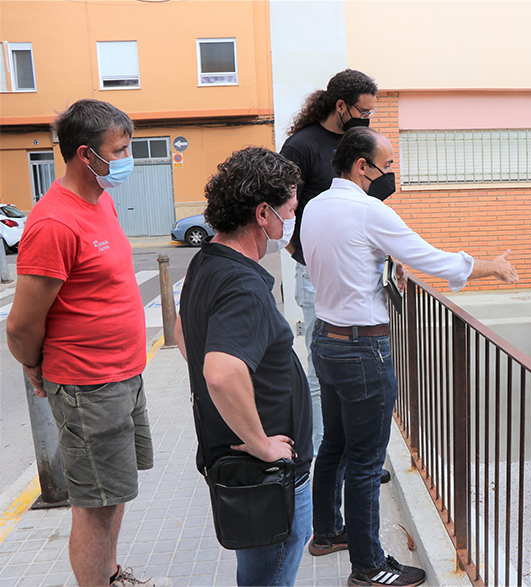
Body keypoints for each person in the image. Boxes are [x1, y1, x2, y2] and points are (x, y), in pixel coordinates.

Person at [301, 127, 518, 587]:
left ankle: (326, 532)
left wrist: (383, 262)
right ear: (362, 166)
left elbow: (337, 257)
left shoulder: (316, 205)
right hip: (362, 348)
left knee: (335, 444)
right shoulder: (369, 211)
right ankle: (368, 565)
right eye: (389, 164)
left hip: (325, 337)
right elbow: (434, 259)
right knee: (364, 461)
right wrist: (492, 266)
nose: (392, 173)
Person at [6, 99, 171, 587]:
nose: (128, 158)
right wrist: (36, 368)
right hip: (87, 384)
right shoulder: (54, 222)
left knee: (113, 491)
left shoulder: (101, 200)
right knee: (95, 505)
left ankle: (110, 574)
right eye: (119, 150)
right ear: (85, 154)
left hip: (123, 374)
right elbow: (20, 325)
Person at [174, 147, 312, 586]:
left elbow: (183, 331)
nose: (294, 214)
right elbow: (220, 371)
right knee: (268, 574)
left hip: (248, 471)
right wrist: (260, 442)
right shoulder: (241, 284)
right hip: (265, 472)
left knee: (258, 569)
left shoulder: (208, 261)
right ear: (263, 212)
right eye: (290, 206)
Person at [279, 68, 379, 456]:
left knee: (359, 367)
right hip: (317, 274)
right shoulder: (301, 146)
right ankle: (324, 456)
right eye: (362, 110)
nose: (367, 118)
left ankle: (357, 455)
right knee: (323, 373)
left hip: (360, 273)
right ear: (340, 105)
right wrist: (302, 259)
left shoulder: (361, 142)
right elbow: (282, 209)